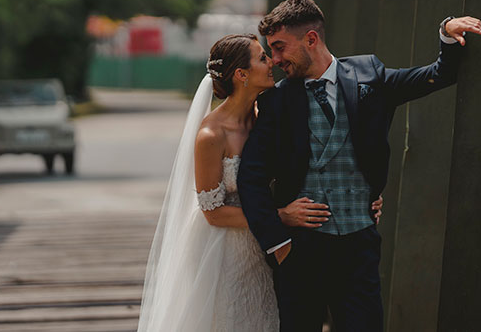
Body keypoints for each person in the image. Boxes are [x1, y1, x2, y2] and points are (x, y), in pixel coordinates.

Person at [238, 0, 481, 331]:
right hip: (300, 252)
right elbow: (250, 177)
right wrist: (278, 239)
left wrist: (446, 31)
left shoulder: (369, 75)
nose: (276, 59)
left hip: (358, 247)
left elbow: (438, 75)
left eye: (281, 47)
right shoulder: (277, 101)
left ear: (311, 39)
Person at [137, 33, 383, 331]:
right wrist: (279, 216)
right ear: (242, 74)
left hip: (267, 244)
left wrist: (361, 196)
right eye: (263, 58)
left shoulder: (266, 117)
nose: (273, 63)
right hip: (225, 250)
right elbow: (212, 213)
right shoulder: (211, 135)